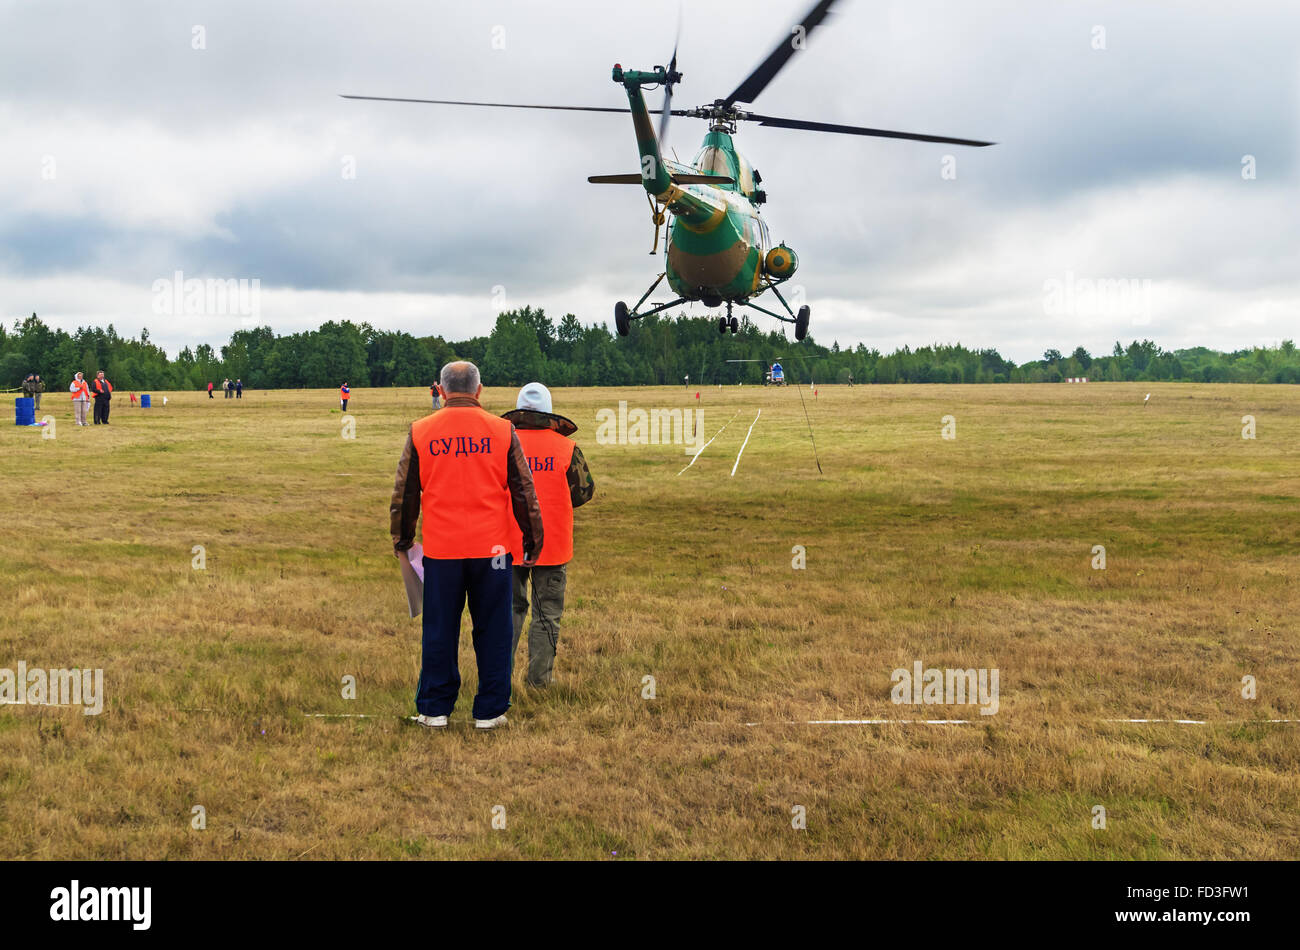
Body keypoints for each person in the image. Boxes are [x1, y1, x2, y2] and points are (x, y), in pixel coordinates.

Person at [389, 361, 544, 730]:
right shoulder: (503, 430)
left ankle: (434, 709)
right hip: (493, 552)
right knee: (494, 629)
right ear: (479, 391)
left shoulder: (421, 431)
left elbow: (405, 493)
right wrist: (532, 538)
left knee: (439, 629)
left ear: (441, 391)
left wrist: (403, 539)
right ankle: (490, 711)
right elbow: (524, 491)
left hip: (442, 553)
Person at [503, 383, 594, 689]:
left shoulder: (503, 444)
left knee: (510, 613)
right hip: (552, 546)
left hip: (509, 545)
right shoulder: (566, 449)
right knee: (547, 615)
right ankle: (539, 683)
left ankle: (498, 679)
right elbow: (583, 493)